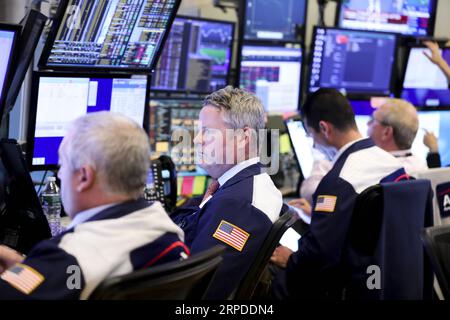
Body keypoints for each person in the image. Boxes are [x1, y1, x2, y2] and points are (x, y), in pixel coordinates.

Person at [0, 112, 189, 299]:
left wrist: (38, 267)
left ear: (84, 177)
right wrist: (30, 267)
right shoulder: (166, 229)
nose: (59, 175)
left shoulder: (70, 255)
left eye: (62, 165)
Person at [271, 89, 407, 299]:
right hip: (388, 278)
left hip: (349, 285)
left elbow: (319, 255)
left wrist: (290, 258)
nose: (314, 144)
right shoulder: (392, 163)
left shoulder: (338, 180)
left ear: (324, 128)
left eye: (311, 135)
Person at [171, 86, 283, 299]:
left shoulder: (238, 205)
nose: (197, 140)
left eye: (208, 132)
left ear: (243, 137)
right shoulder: (248, 184)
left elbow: (197, 289)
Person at [367, 98, 428, 175]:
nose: (368, 123)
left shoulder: (374, 172)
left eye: (372, 120)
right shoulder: (421, 167)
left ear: (387, 132)